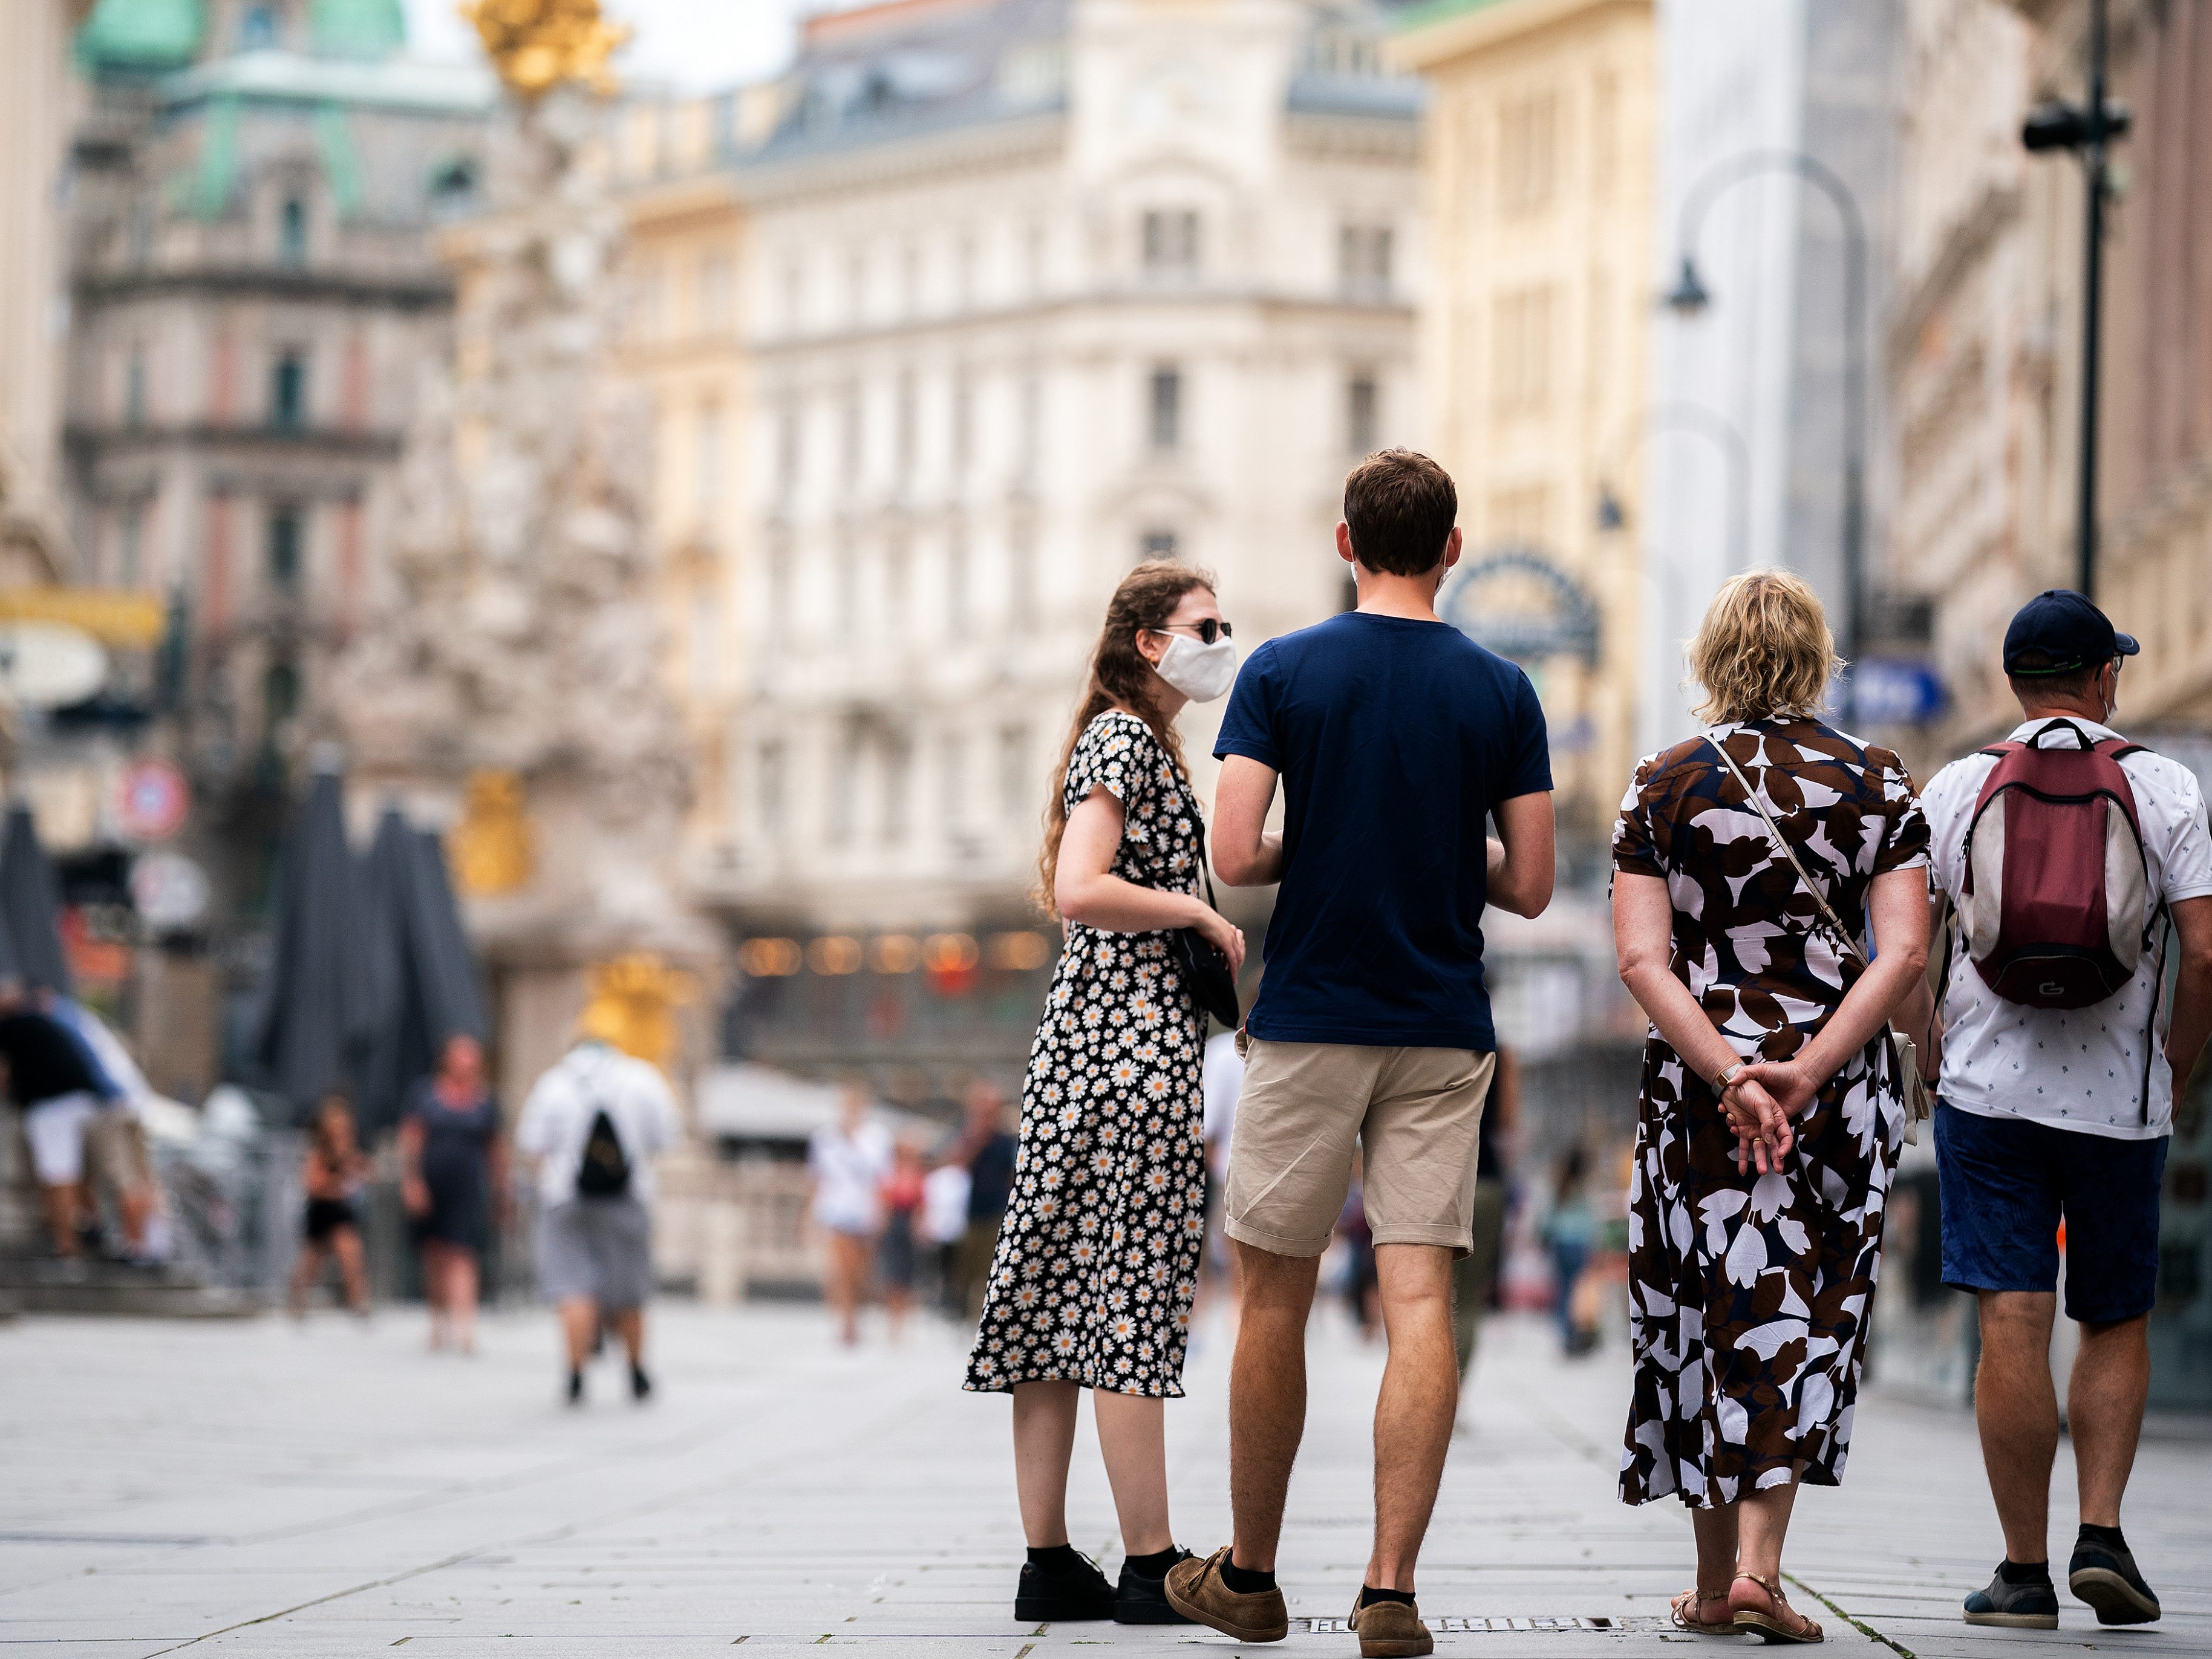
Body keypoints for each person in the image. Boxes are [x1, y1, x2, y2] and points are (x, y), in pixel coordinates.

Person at [1167, 450, 1553, 1658]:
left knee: (1270, 1295)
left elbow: (1234, 853)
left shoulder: (1281, 669)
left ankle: (1250, 1576)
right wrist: (1446, 857)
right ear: (1451, 548)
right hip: (1440, 1027)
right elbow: (1532, 887)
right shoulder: (1501, 688)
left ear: (1344, 543)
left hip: (1311, 1015)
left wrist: (1320, 841)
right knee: (1419, 1298)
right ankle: (1388, 1592)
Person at [1611, 569, 1933, 1643]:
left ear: (1709, 659)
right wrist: (1803, 1070)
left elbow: (1641, 959)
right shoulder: (1878, 779)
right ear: (1817, 657)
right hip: (1833, 1099)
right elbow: (1903, 952)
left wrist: (1730, 1075)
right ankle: (1756, 1572)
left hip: (1696, 1099)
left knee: (1700, 1311)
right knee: (1796, 1307)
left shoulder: (1660, 782)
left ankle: (1716, 1585)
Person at [1916, 590, 2212, 1630]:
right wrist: (2179, 1056)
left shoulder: (1957, 784)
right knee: (2112, 1315)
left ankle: (2021, 1569)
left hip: (1987, 1096)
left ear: (2013, 681)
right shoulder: (2163, 782)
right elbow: (2206, 947)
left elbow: (1914, 949)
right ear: (2102, 678)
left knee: (2012, 1315)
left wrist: (1925, 1042)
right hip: (2120, 1104)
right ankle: (2101, 1531)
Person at [964, 561, 1245, 1628]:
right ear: (1147, 641)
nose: (1222, 636)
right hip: (1128, 1058)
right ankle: (1149, 1562)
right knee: (1127, 1297)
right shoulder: (1128, 738)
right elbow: (1083, 886)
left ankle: (1048, 1558)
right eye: (1203, 623)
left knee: (1052, 1304)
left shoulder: (1127, 740)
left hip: (1077, 1057)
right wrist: (1197, 914)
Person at [515, 1011, 681, 1404]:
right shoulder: (642, 1078)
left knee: (572, 1285)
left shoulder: (554, 1082)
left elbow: (531, 1142)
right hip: (628, 1196)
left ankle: (575, 1373)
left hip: (566, 1198)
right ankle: (636, 1370)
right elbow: (666, 1136)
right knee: (628, 1288)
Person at [0, 993, 126, 1264]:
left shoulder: (10, 1028)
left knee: (58, 1175)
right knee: (77, 1173)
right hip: (89, 1101)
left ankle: (67, 1249)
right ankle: (92, 1226)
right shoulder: (44, 1020)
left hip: (52, 1106)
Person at [399, 1033, 504, 1355]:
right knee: (435, 1255)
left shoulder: (486, 1101)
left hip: (468, 1189)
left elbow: (496, 1149)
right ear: (447, 1060)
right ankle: (438, 1320)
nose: (467, 1064)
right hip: (432, 1186)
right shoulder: (426, 1095)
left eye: (473, 1057)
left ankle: (464, 1328)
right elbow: (412, 1138)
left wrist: (501, 1190)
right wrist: (413, 1181)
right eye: (461, 1056)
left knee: (463, 1254)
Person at [1452, 1047, 1517, 1381]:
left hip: (1441, 1174)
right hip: (1486, 1180)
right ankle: (1455, 1393)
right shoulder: (1501, 1052)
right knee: (1467, 1297)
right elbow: (1507, 1120)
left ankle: (1430, 1391)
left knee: (1429, 1293)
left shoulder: (1438, 1034)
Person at [807, 1085, 891, 1346]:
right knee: (841, 1270)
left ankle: (855, 1316)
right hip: (836, 1210)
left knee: (861, 1273)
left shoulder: (876, 1138)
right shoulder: (825, 1138)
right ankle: (846, 1322)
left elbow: (882, 1179)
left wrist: (883, 1213)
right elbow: (817, 1178)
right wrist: (809, 1216)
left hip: (866, 1211)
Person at [290, 1095, 370, 1317]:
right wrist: (337, 1184)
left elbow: (365, 1171)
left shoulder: (349, 1151)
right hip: (320, 1210)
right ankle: (298, 1297)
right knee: (312, 1263)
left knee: (352, 1255)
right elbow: (312, 1184)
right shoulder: (318, 1152)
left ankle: (359, 1301)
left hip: (341, 1210)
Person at [948, 1080, 1016, 1322]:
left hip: (996, 1210)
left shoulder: (1006, 1139)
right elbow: (956, 1164)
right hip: (970, 1211)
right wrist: (976, 1136)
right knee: (965, 1268)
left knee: (989, 1268)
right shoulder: (968, 1135)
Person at [1540, 1144, 1597, 1357]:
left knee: (1563, 1289)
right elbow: (1592, 1217)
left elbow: (1549, 1213)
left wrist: (1544, 1234)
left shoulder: (1561, 1184)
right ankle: (1577, 1334)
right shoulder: (1585, 1186)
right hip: (1580, 1243)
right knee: (1579, 1290)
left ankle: (1565, 1334)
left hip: (1560, 1242)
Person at [878, 1139, 927, 1343]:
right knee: (892, 1274)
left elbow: (922, 1202)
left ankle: (905, 1318)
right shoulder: (891, 1173)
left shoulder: (917, 1174)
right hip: (894, 1224)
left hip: (908, 1224)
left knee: (908, 1275)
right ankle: (893, 1318)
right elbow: (883, 1200)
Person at [921, 1150, 972, 1318]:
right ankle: (938, 1299)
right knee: (938, 1266)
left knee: (949, 1267)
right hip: (942, 1229)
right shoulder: (941, 1178)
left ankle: (949, 1300)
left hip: (952, 1230)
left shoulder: (961, 1178)